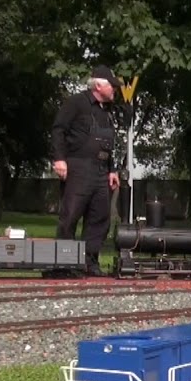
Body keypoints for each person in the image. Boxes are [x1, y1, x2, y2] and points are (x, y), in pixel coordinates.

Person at [51, 65, 121, 276]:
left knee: (100, 217)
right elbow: (58, 130)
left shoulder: (107, 112)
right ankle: (64, 263)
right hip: (78, 166)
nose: (115, 90)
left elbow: (108, 144)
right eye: (112, 86)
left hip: (102, 170)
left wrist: (112, 169)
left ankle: (89, 262)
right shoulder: (76, 103)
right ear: (98, 85)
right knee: (71, 215)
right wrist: (59, 159)